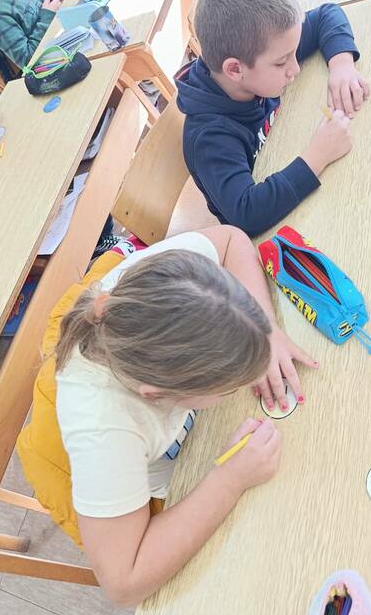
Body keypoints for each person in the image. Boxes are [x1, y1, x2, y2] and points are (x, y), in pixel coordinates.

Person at [53, 226, 315, 606]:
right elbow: (123, 583)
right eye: (227, 389)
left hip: (183, 439)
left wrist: (264, 332)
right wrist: (231, 478)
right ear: (159, 393)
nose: (238, 389)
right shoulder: (105, 429)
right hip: (156, 493)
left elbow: (230, 240)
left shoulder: (176, 280)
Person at [176, 0, 370, 236]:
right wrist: (317, 156)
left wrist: (342, 65)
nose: (295, 68)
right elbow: (247, 214)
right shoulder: (210, 138)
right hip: (274, 227)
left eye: (294, 53)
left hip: (286, 154)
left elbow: (327, 15)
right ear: (235, 69)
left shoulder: (265, 50)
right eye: (281, 63)